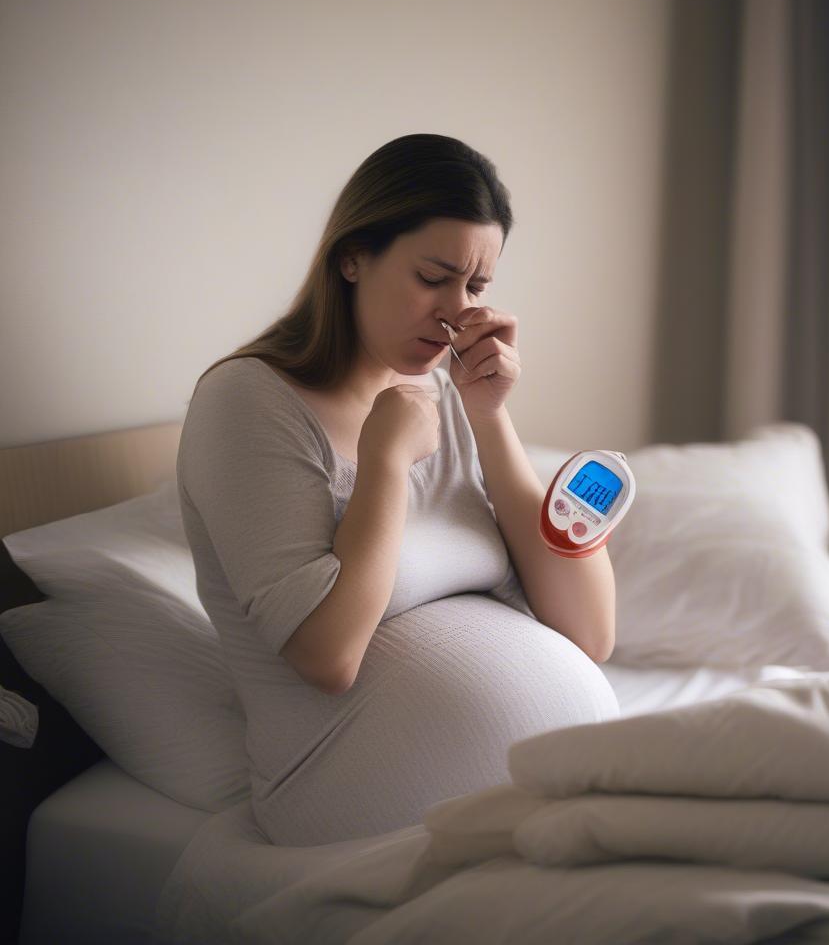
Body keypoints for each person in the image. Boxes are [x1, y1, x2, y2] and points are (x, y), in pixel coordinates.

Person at [176, 133, 620, 846]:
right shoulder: (247, 401)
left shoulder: (444, 395)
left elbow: (590, 632)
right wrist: (384, 463)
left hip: (541, 803)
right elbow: (326, 655)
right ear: (353, 257)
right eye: (433, 277)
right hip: (340, 799)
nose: (455, 315)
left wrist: (489, 415)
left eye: (475, 288)